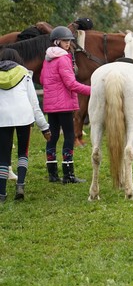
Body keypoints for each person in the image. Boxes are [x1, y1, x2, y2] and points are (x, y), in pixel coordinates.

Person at [41, 25, 91, 184]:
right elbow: (72, 84)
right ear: (56, 42)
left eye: (69, 41)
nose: (68, 44)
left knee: (53, 137)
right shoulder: (63, 59)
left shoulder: (47, 58)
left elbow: (42, 80)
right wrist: (93, 90)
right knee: (69, 137)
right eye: (64, 41)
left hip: (51, 105)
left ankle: (53, 174)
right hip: (64, 105)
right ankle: (68, 175)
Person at [0, 49, 51, 201]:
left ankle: (1, 194)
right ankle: (20, 184)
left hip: (2, 118)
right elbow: (34, 104)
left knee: (3, 157)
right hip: (23, 115)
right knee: (23, 152)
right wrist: (44, 127)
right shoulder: (24, 73)